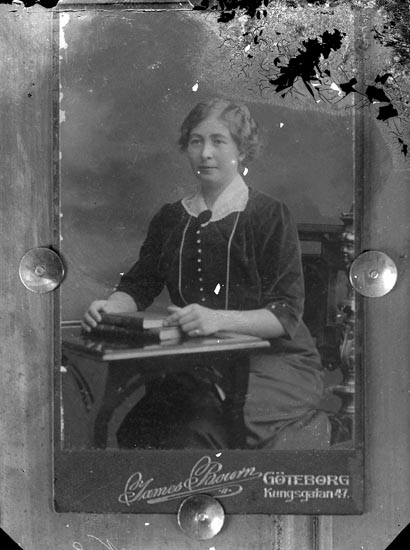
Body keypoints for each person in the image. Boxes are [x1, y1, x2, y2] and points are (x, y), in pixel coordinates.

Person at [83, 98, 330, 450]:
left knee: (198, 426)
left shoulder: (269, 215)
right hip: (199, 361)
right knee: (142, 427)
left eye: (219, 141)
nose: (206, 153)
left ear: (241, 150)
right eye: (196, 141)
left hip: (274, 362)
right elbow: (139, 285)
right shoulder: (171, 218)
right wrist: (110, 308)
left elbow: (285, 314)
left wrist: (216, 319)